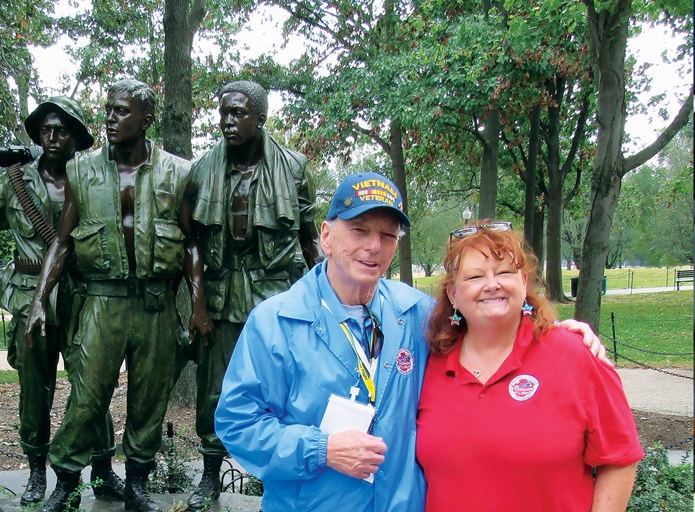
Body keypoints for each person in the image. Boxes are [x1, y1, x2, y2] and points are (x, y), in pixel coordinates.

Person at [214, 172, 608, 512]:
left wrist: (550, 331)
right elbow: (236, 424)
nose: (374, 246)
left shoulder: (418, 314)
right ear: (327, 235)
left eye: (388, 235)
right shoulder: (276, 322)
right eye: (360, 230)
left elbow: (488, 326)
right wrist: (320, 449)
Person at [0, 97, 124, 506]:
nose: (52, 137)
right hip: (28, 296)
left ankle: (104, 470)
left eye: (62, 130)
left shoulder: (92, 179)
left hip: (80, 295)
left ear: (77, 139)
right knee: (35, 390)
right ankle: (36, 471)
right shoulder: (14, 181)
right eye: (45, 130)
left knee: (92, 386)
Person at [26, 78, 211, 512]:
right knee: (87, 397)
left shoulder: (179, 172)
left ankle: (138, 483)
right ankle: (66, 480)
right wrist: (40, 299)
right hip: (101, 302)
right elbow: (63, 241)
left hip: (155, 304)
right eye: (108, 109)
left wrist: (198, 306)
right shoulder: (82, 169)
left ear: (146, 121)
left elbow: (191, 243)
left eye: (121, 111)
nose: (110, 118)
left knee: (150, 398)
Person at [416, 222, 643, 511]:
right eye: (474, 276)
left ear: (523, 282)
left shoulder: (575, 356)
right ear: (452, 294)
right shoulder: (427, 364)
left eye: (505, 272)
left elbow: (620, 458)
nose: (492, 284)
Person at [186, 80, 321, 509]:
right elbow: (192, 242)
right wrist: (198, 305)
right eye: (223, 112)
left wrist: (323, 301)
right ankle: (210, 475)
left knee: (284, 388)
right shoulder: (203, 169)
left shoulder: (294, 168)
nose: (227, 121)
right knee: (215, 388)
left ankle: (277, 475)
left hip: (277, 292)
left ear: (260, 118)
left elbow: (309, 238)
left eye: (238, 113)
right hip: (223, 293)